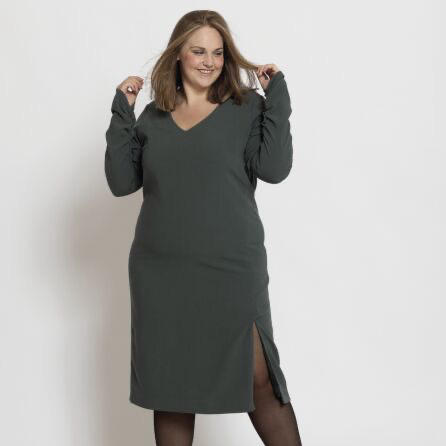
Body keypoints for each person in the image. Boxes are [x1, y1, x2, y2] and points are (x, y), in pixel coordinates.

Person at [104, 9, 303, 446]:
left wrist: (277, 95)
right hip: (161, 275)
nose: (209, 62)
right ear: (179, 54)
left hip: (232, 269)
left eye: (217, 52)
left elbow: (274, 168)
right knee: (170, 391)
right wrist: (122, 111)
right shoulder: (152, 117)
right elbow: (121, 182)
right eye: (198, 51)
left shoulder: (246, 108)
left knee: (260, 381)